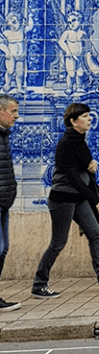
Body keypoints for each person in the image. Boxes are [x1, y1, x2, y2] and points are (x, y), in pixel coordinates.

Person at [31, 103, 99, 298]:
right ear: (73, 122)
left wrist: (90, 168)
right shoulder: (66, 142)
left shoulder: (80, 141)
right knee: (58, 242)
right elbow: (72, 177)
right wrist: (96, 200)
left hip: (78, 199)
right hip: (63, 199)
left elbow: (80, 170)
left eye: (88, 115)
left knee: (94, 233)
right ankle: (39, 285)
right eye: (84, 116)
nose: (89, 118)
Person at [0, 95, 19, 310]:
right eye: (13, 111)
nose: (16, 115)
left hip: (4, 202)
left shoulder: (4, 136)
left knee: (3, 249)